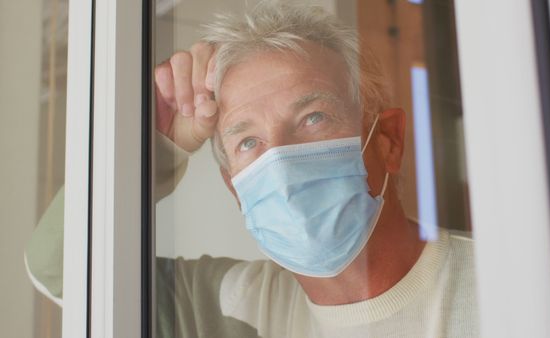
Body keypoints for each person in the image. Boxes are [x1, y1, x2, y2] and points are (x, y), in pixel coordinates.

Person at [25, 1, 478, 337]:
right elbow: (62, 268)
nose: (278, 158)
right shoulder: (224, 305)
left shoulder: (496, 281)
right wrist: (147, 143)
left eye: (313, 118)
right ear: (236, 189)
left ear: (388, 140)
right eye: (248, 141)